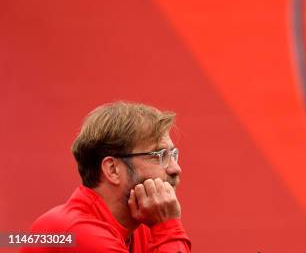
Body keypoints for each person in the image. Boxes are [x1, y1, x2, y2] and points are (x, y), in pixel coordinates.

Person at [21, 102, 191, 252]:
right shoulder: (80, 233)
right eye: (158, 155)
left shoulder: (142, 227)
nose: (175, 168)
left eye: (173, 155)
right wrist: (167, 227)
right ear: (112, 169)